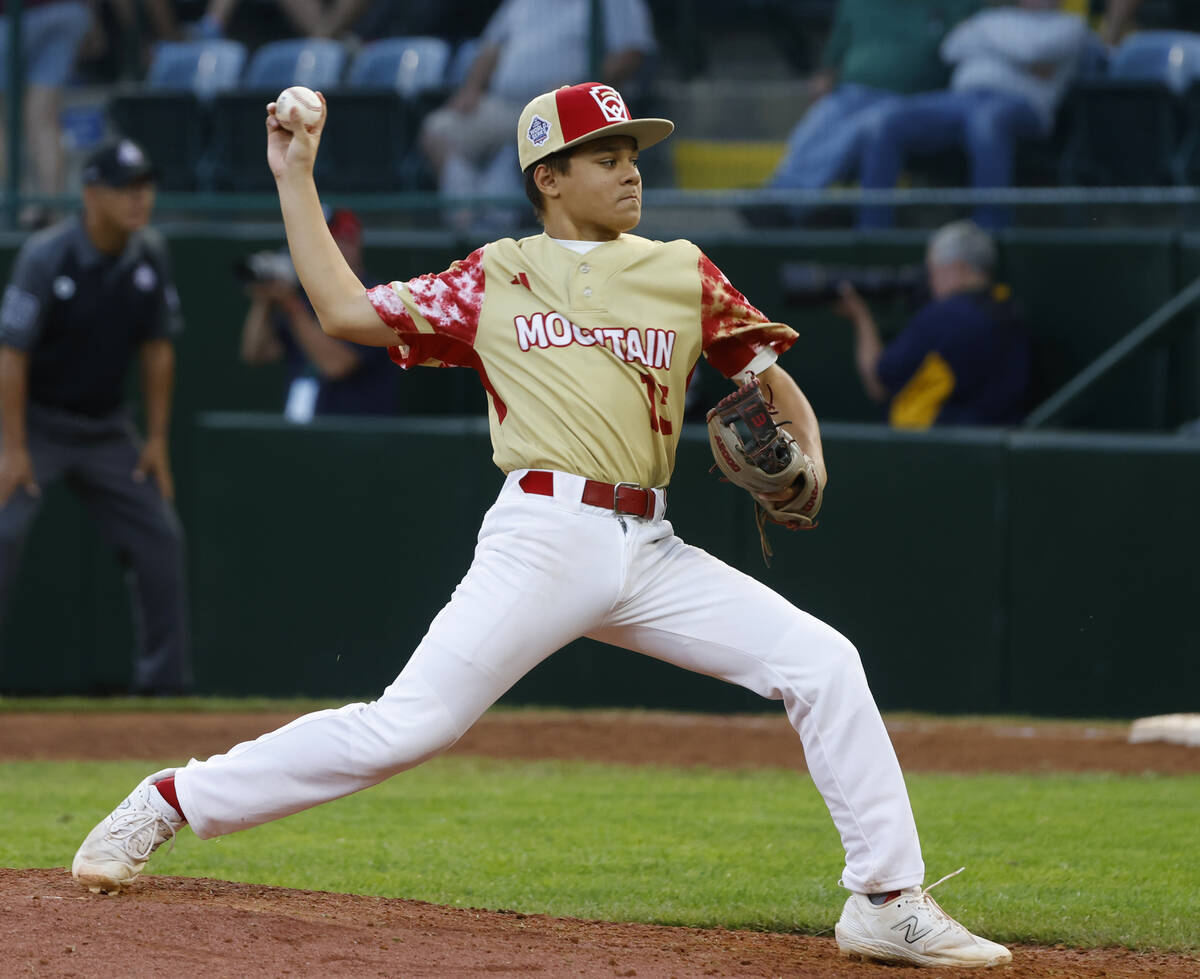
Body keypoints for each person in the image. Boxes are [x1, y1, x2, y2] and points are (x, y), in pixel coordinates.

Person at [70, 82, 1012, 970]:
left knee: (824, 661)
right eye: (604, 154)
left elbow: (762, 374)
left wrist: (811, 459)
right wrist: (296, 175)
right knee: (407, 726)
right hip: (545, 534)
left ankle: (887, 900)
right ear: (547, 178)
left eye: (634, 150)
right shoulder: (500, 274)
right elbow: (346, 310)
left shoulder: (681, 270)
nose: (631, 168)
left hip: (652, 547)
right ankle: (169, 798)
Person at [0, 138, 191, 694]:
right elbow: (11, 354)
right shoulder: (45, 255)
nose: (140, 199)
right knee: (2, 533)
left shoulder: (150, 254)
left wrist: (155, 440)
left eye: (146, 187)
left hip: (108, 429)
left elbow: (159, 349)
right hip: (35, 425)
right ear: (90, 194)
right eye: (126, 188)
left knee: (161, 537)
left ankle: (164, 690)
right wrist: (13, 449)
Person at [418, 0, 656, 228]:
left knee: (531, 142)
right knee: (439, 129)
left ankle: (493, 217)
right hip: (505, 104)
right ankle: (470, 214)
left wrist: (579, 87)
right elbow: (490, 49)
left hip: (568, 106)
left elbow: (631, 53)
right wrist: (471, 89)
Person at [746, 0, 982, 228]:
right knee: (820, 118)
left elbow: (970, 41)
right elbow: (835, 52)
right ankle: (777, 195)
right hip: (851, 92)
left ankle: (789, 204)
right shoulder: (856, 2)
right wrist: (826, 75)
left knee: (866, 125)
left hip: (914, 100)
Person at [857, 0, 1089, 230]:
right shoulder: (993, 18)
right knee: (888, 119)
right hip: (962, 100)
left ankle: (991, 231)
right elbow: (951, 47)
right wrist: (1016, 52)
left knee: (986, 121)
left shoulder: (1070, 25)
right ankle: (873, 234)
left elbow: (1032, 50)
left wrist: (985, 33)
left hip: (1023, 106)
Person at [837, 220, 1032, 428]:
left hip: (946, 448)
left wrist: (861, 317)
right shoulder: (1009, 307)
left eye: (933, 270)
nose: (929, 281)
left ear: (957, 268)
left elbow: (879, 382)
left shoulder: (946, 315)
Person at [238, 207, 395, 420]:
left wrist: (291, 304)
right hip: (304, 427)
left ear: (350, 244)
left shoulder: (375, 297)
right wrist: (265, 299)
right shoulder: (305, 295)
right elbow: (256, 353)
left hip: (355, 432)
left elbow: (337, 365)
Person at [0, 0, 94, 228]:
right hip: (67, 12)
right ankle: (53, 213)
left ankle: (15, 210)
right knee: (43, 119)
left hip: (14, 16)